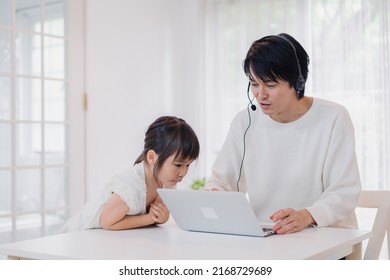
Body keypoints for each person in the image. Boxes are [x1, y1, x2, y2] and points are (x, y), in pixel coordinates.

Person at [205, 33, 361, 243]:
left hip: (327, 240)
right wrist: (217, 193)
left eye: (270, 85)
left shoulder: (333, 118)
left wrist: (306, 215)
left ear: (297, 82)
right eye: (254, 84)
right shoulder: (245, 122)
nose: (260, 95)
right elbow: (221, 180)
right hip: (268, 241)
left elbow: (344, 191)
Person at [61, 116, 200, 232]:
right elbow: (108, 222)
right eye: (178, 165)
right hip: (75, 237)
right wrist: (151, 218)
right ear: (152, 158)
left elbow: (154, 215)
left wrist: (162, 217)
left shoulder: (168, 181)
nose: (184, 172)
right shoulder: (131, 185)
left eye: (188, 165)